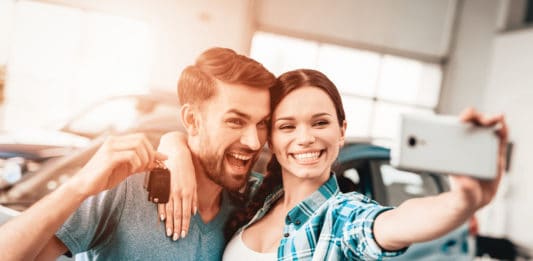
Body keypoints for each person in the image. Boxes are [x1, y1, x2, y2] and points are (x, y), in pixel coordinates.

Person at [160, 69, 508, 260]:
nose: (306, 137)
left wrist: (464, 201)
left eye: (320, 122)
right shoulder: (253, 198)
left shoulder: (343, 216)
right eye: (287, 126)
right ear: (271, 139)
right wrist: (173, 146)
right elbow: (201, 155)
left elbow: (391, 223)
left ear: (341, 131)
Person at [0, 47, 276, 260]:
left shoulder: (254, 204)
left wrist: (174, 141)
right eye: (235, 121)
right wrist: (78, 187)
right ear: (192, 120)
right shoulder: (128, 190)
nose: (254, 142)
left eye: (262, 123)